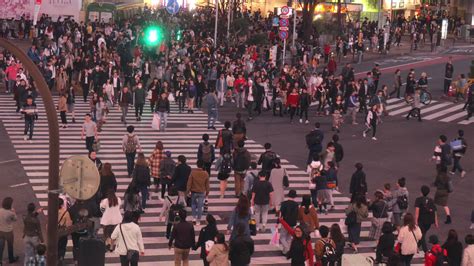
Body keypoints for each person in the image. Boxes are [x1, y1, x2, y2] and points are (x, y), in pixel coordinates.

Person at [415, 185, 439, 253]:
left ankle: (426, 251)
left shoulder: (418, 199)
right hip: (429, 221)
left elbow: (417, 211)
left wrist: (416, 221)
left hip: (421, 220)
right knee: (423, 233)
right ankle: (416, 246)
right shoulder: (431, 200)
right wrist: (436, 221)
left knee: (421, 236)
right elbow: (435, 211)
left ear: (421, 192)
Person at [186, 160, 210, 225]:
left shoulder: (193, 172)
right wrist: (207, 192)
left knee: (193, 204)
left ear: (197, 165)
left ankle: (194, 217)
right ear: (203, 165)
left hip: (194, 192)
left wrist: (187, 191)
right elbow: (207, 184)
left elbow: (189, 183)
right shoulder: (205, 173)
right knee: (200, 206)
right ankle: (198, 220)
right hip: (201, 192)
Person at [279, 190, 299, 255]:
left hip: (285, 222)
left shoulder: (284, 203)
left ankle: (287, 249)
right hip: (293, 223)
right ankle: (285, 251)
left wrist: (278, 221)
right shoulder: (296, 204)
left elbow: (280, 213)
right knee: (288, 237)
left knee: (282, 237)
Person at [0, 197, 19, 264]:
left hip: (1, 231)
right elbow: (15, 219)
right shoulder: (11, 213)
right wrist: (14, 211)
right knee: (10, 246)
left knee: (1, 246)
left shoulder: (0, 210)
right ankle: (11, 259)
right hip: (8, 232)